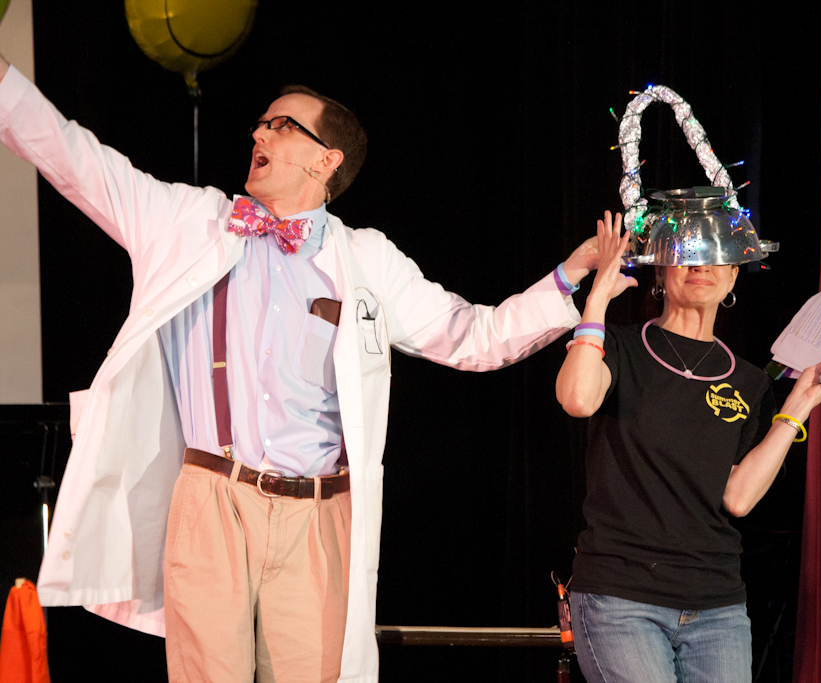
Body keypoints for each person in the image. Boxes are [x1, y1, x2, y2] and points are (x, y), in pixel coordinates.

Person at [0, 54, 600, 682]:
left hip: (317, 514)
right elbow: (73, 156)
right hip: (214, 499)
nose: (259, 133)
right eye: (261, 124)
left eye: (281, 126)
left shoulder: (366, 258)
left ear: (326, 159)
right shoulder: (188, 221)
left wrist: (570, 274)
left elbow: (474, 335)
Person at [555, 211, 821, 683]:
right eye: (686, 254)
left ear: (733, 278)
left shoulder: (748, 381)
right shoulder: (620, 346)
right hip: (621, 597)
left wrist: (797, 407)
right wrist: (598, 297)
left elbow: (739, 498)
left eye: (715, 256)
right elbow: (578, 399)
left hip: (716, 607)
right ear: (661, 273)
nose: (700, 264)